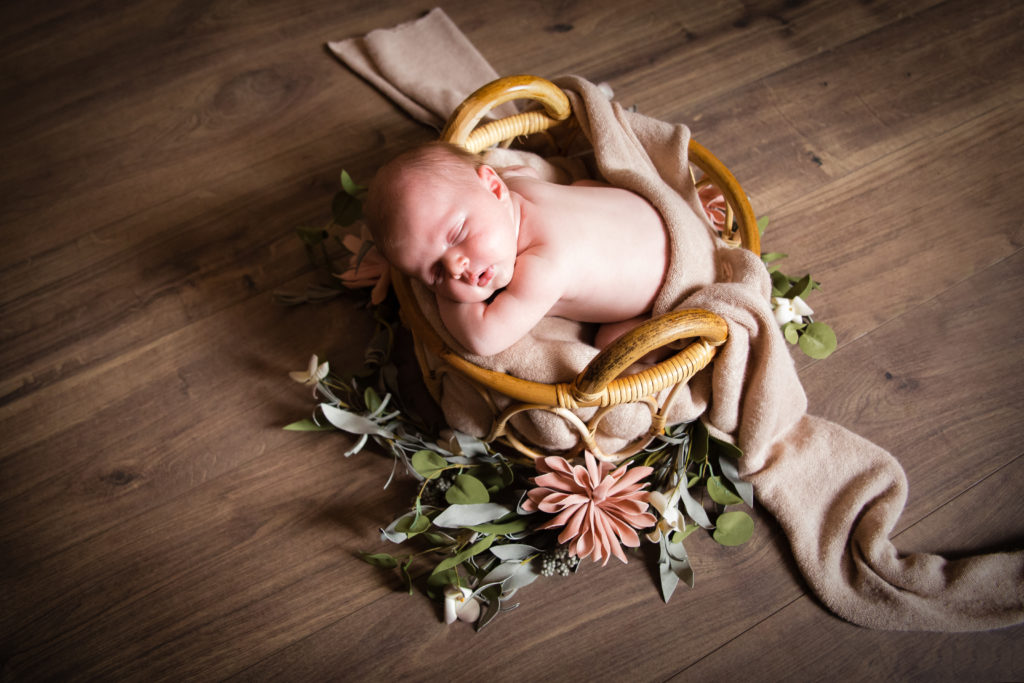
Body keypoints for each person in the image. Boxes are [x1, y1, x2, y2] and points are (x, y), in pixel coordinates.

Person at [364, 142, 668, 356]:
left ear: (494, 187)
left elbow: (482, 339)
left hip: (657, 284)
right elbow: (521, 171)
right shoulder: (516, 186)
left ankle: (664, 346)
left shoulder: (542, 268)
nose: (456, 268)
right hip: (640, 213)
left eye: (457, 234)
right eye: (435, 273)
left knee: (609, 342)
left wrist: (443, 296)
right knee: (582, 185)